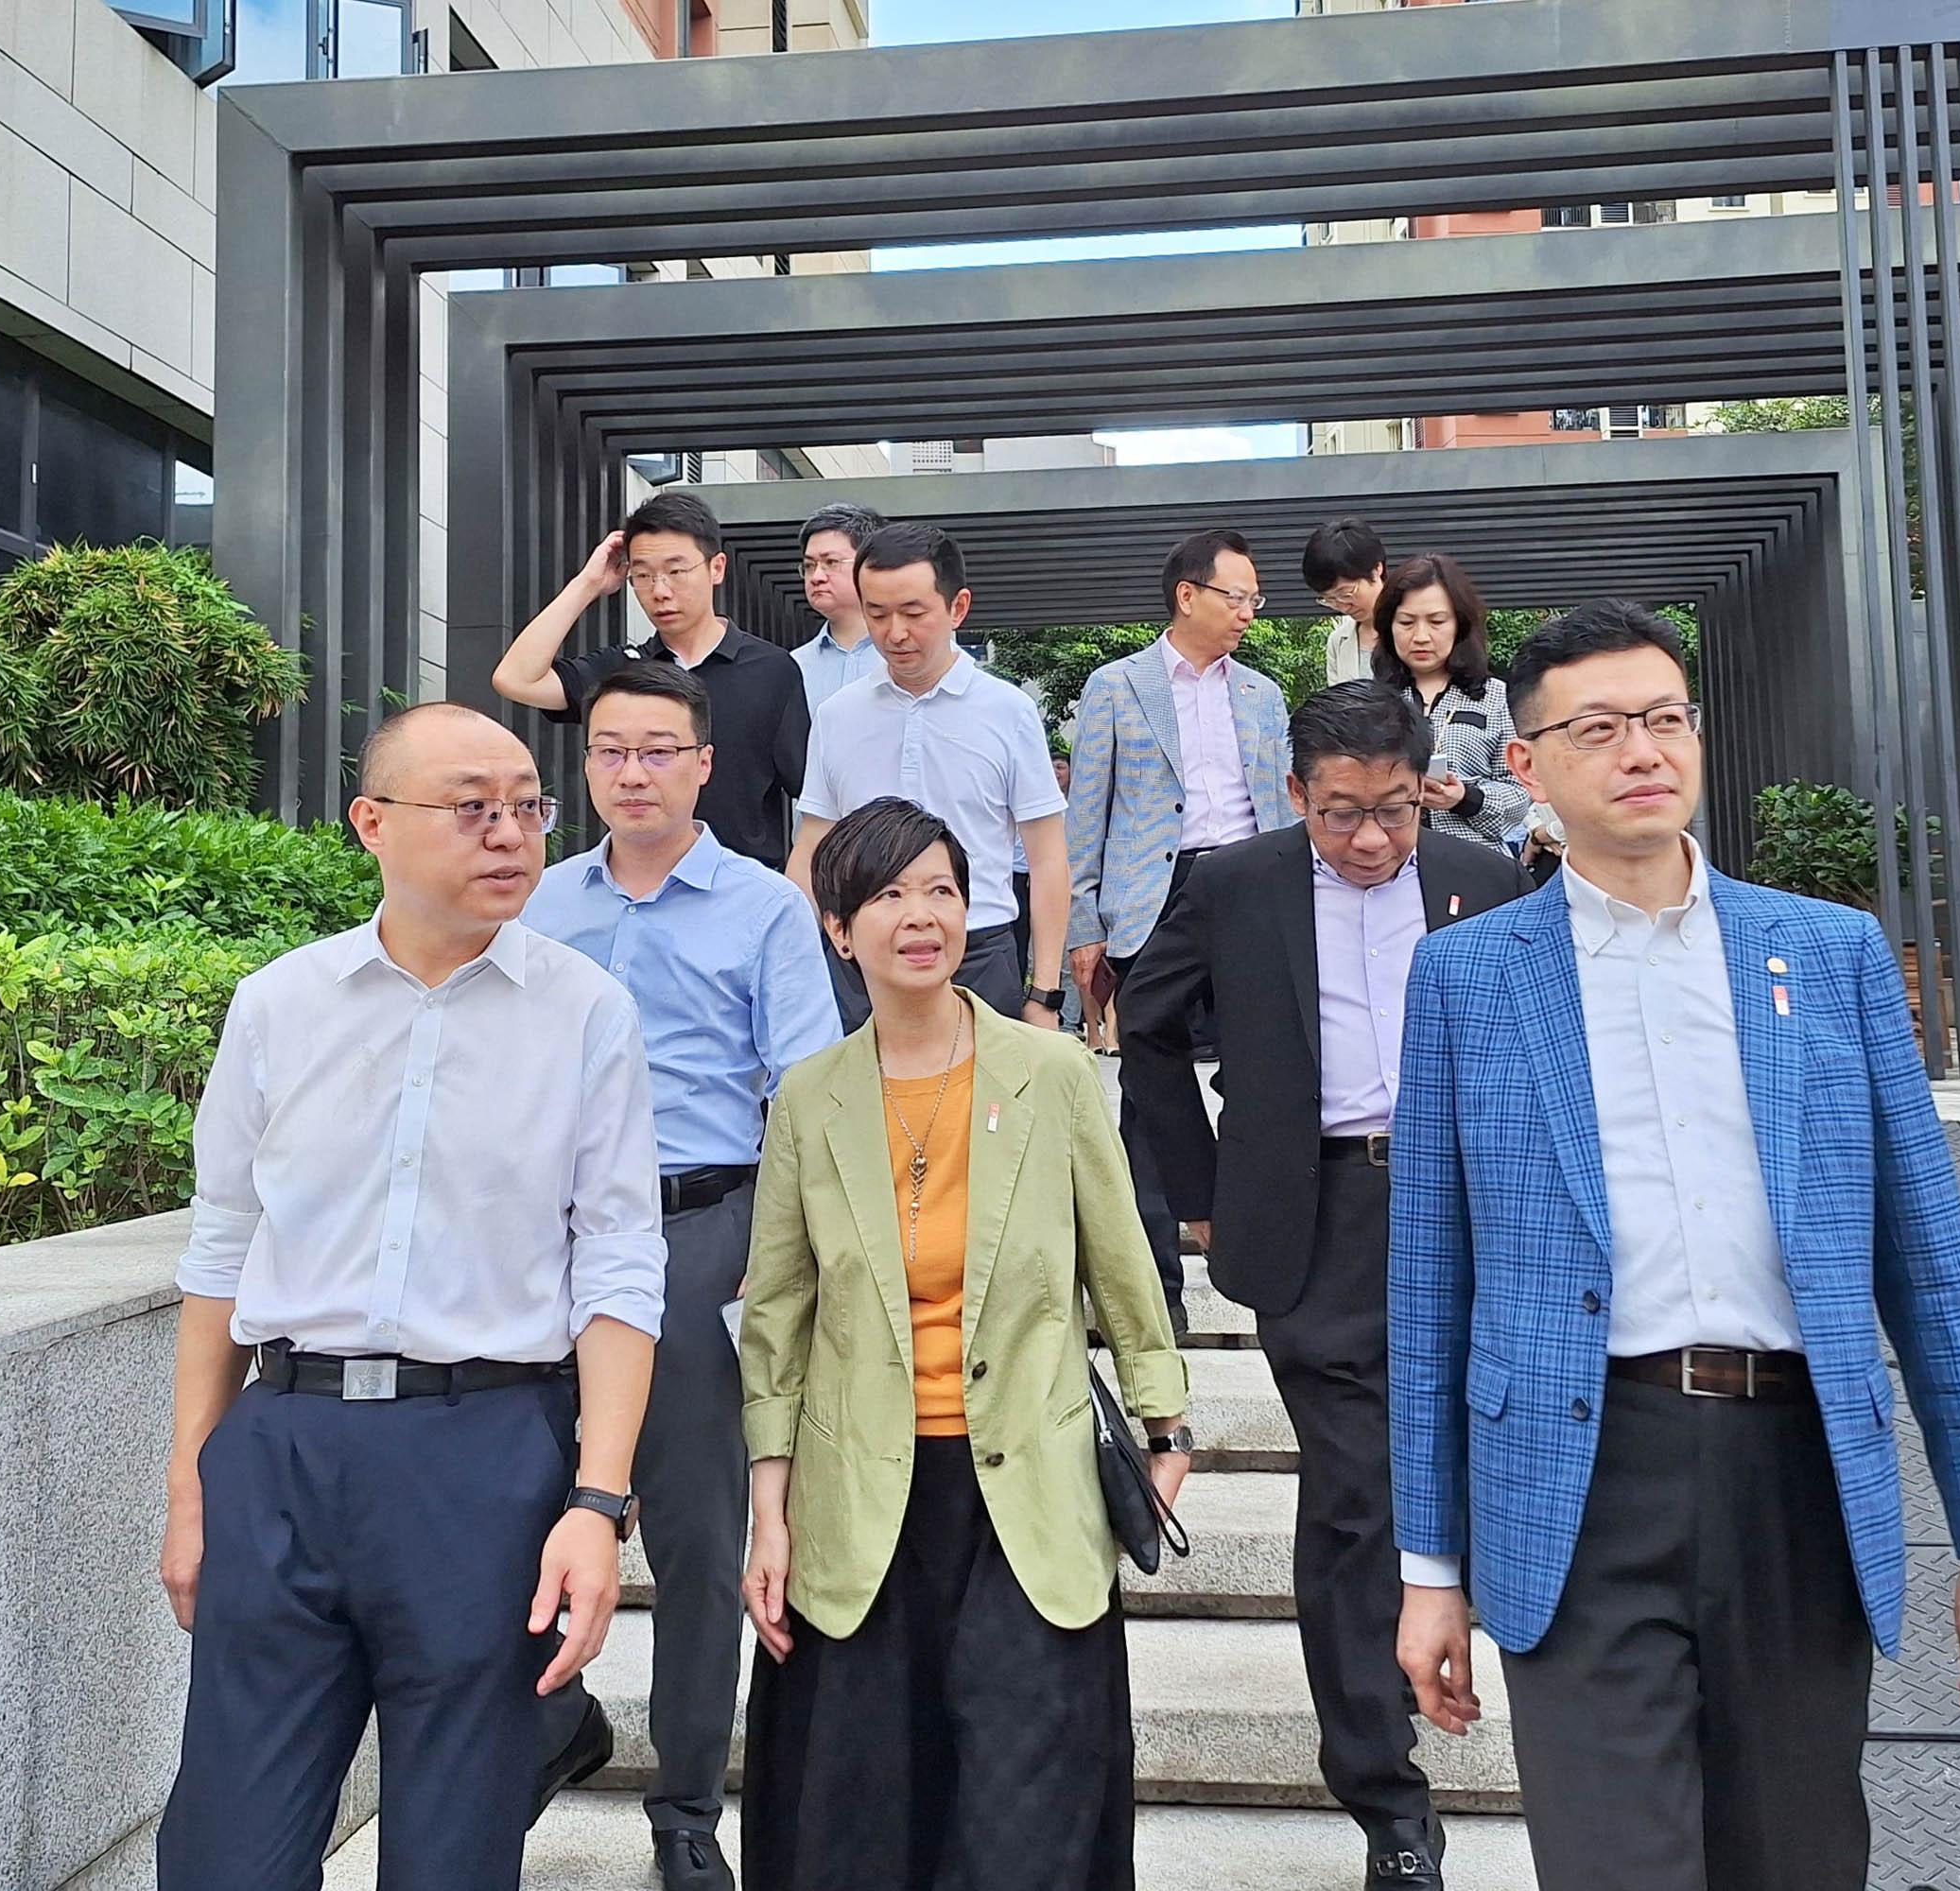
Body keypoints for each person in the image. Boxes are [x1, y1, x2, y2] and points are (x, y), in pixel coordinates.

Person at [1390, 603, 1960, 1891]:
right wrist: (1428, 1570)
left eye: (1666, 717)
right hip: (1579, 1477)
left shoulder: (1831, 952)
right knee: (1614, 1864)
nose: (1643, 748)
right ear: (1526, 764)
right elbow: (1429, 1290)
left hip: (1793, 1470)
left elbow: (1933, 1273)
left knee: (1794, 1858)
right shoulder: (1468, 978)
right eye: (1599, 727)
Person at [154, 703, 665, 1891]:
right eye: (472, 807)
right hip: (284, 1445)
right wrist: (192, 1479)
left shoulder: (588, 1012)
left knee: (452, 1849)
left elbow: (621, 1261)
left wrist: (597, 1498)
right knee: (228, 1847)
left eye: (529, 806)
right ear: (371, 824)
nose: (510, 834)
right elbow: (221, 1247)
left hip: (485, 1453)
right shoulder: (282, 1003)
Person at [737, 797, 1190, 1891]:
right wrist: (769, 1506)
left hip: (1025, 1486)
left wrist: (1163, 1415)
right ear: (839, 928)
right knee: (863, 1812)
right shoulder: (809, 1098)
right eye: (888, 893)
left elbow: (1120, 1259)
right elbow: (778, 1316)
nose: (921, 914)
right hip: (862, 1498)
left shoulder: (1052, 1073)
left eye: (940, 887)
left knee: (1025, 1804)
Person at [1118, 683, 1523, 1891]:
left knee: (1461, 1477)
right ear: (1297, 794)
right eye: (1340, 813)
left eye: (1392, 812)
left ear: (1423, 789)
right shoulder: (1238, 883)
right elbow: (1145, 1022)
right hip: (1316, 1222)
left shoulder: (1482, 881)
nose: (1367, 839)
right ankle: (1390, 1800)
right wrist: (1201, 1188)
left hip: (1469, 1216)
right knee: (1357, 1499)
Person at [523, 662, 844, 1891]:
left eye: (660, 750)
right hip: (551, 1250)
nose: (635, 772)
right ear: (588, 765)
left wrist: (782, 1271)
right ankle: (553, 1728)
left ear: (704, 764)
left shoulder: (764, 908)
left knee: (706, 1549)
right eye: (612, 751)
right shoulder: (544, 904)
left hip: (708, 1234)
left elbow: (807, 1099)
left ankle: (685, 1813)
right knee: (519, 1510)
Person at [1064, 528, 1294, 1329]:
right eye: (1237, 597)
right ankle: (1151, 1294)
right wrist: (1083, 924)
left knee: (1264, 1074)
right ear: (1187, 595)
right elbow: (1085, 810)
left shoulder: (1263, 695)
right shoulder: (1116, 686)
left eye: (1255, 600)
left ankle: (1256, 1258)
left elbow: (1281, 807)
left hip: (1250, 889)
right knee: (1149, 1092)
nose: (1248, 614)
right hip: (1151, 898)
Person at [786, 523, 1068, 1032]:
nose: (894, 633)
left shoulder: (1009, 712)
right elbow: (810, 848)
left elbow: (1048, 860)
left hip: (979, 953)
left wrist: (1044, 994)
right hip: (862, 962)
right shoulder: (836, 716)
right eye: (877, 614)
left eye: (913, 613)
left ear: (957, 607)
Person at [492, 491, 810, 869]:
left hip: (743, 887)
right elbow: (516, 679)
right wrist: (587, 583)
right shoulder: (625, 671)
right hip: (634, 882)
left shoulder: (773, 670)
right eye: (642, 576)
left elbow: (811, 797)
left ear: (716, 568)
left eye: (676, 572)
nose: (660, 591)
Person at [1370, 553, 1528, 856]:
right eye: (1406, 622)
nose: (1421, 636)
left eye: (1437, 621)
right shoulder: (1372, 701)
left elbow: (1520, 794)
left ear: (1460, 624)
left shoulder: (1495, 697)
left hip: (1474, 860)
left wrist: (1465, 798)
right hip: (1390, 861)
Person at [789, 502, 890, 713]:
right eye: (809, 566)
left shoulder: (906, 656)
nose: (816, 577)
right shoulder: (792, 666)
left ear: (870, 564)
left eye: (831, 562)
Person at [1306, 518, 1390, 686]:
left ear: (1377, 569)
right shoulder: (1338, 641)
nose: (1343, 607)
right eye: (1329, 600)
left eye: (1346, 594)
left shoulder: (1413, 628)